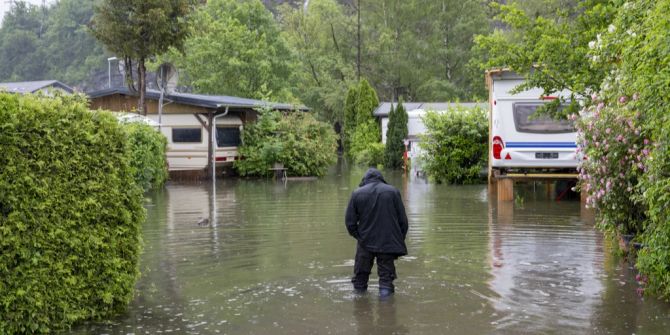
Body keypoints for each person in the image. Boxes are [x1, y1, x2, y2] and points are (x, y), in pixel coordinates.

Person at [345, 168, 408, 298]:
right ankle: (386, 311)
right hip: (387, 242)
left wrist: (361, 237)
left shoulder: (357, 193)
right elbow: (403, 223)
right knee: (386, 280)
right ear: (381, 178)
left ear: (365, 180)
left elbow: (350, 223)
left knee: (360, 278)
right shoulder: (393, 192)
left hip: (365, 243)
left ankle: (361, 309)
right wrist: (396, 240)